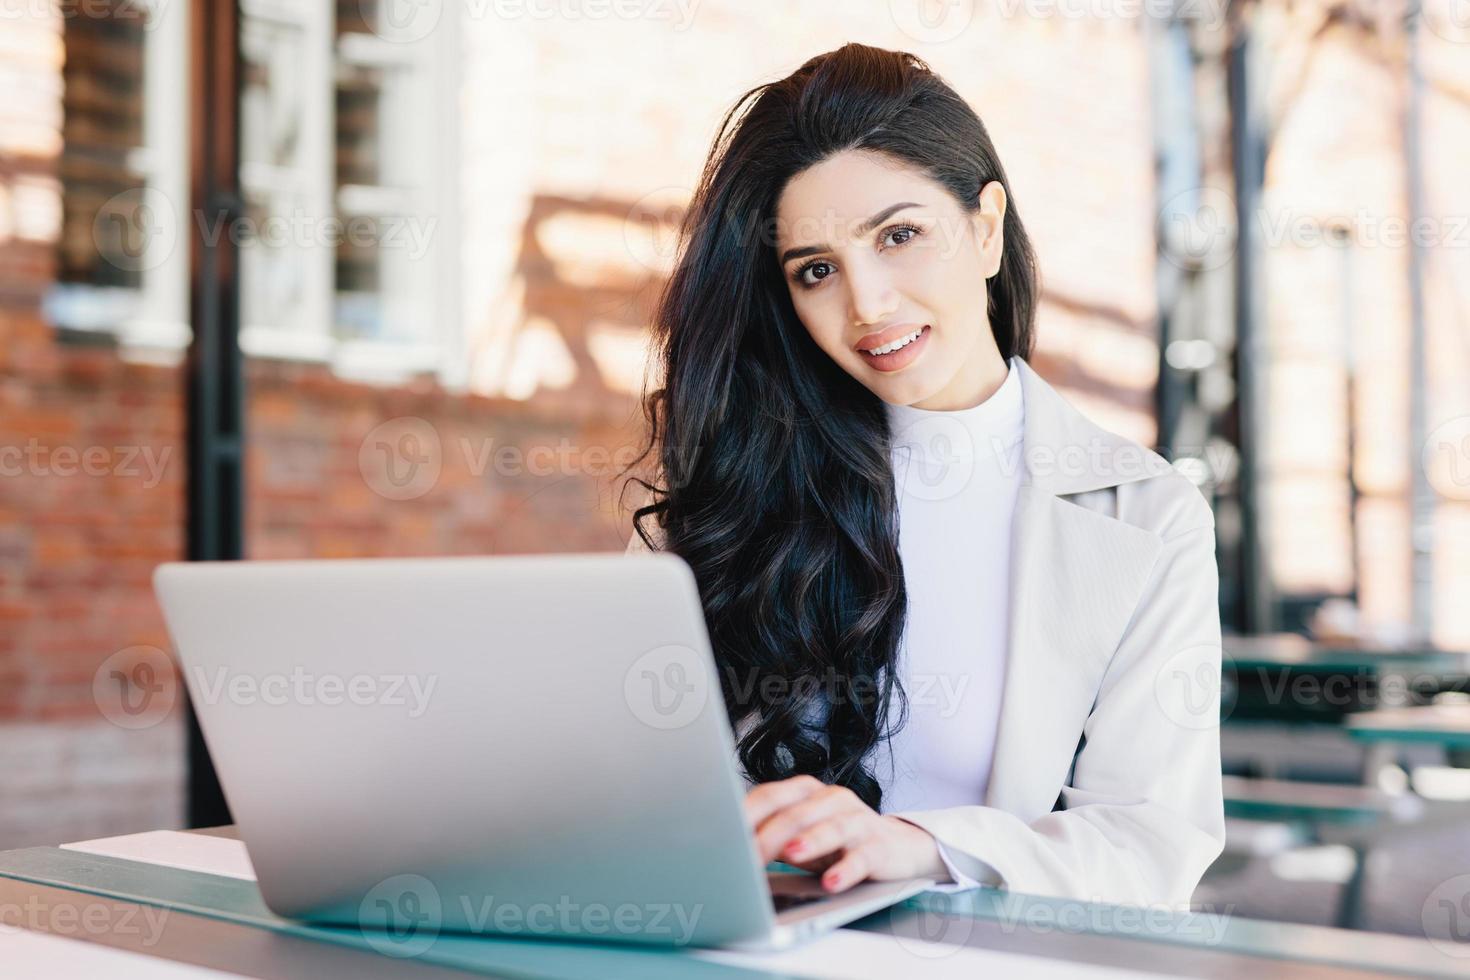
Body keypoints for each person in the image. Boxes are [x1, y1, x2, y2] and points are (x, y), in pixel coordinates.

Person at [621, 42, 1224, 909]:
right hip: (751, 946)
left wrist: (916, 845)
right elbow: (643, 781)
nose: (867, 304)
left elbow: (1151, 842)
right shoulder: (743, 485)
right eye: (816, 270)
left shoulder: (1145, 513)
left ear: (984, 229)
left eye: (899, 236)